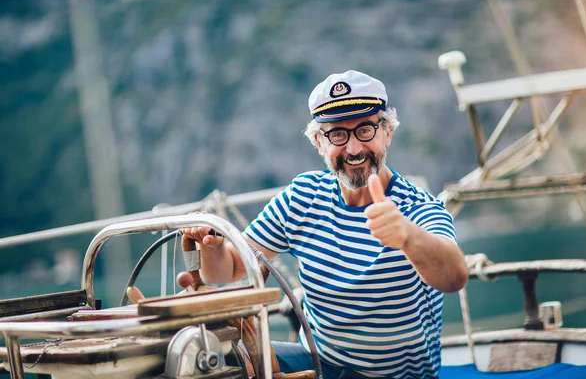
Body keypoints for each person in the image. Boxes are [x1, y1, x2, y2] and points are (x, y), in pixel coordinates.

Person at [182, 70, 468, 379]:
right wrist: (211, 249)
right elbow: (230, 270)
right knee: (211, 356)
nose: (354, 148)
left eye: (365, 130)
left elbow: (453, 277)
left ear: (387, 132)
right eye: (338, 135)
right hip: (317, 362)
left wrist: (408, 237)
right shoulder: (302, 198)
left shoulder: (416, 208)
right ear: (319, 142)